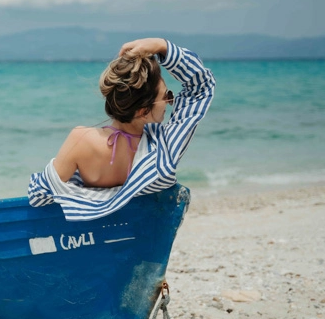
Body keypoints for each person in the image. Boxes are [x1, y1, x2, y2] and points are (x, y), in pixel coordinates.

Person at [28, 38, 215, 220]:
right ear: (143, 111)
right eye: (167, 95)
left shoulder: (81, 139)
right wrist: (162, 45)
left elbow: (40, 196)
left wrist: (83, 198)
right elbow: (201, 87)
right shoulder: (164, 149)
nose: (169, 102)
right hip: (142, 237)